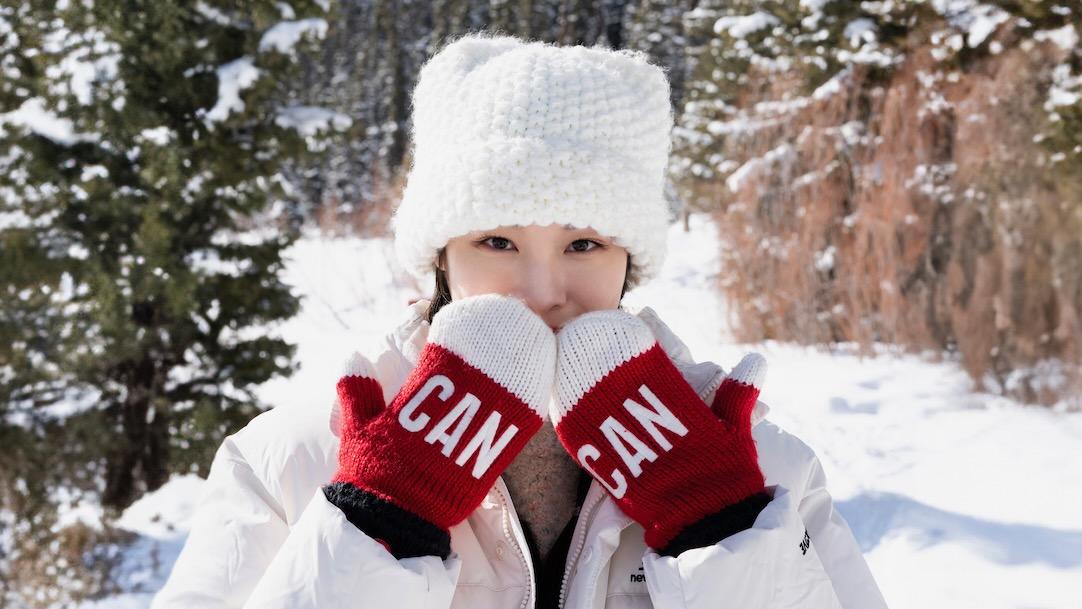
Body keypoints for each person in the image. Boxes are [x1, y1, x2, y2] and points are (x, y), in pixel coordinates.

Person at [151, 33, 888, 609]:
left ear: (629, 260)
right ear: (441, 257)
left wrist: (724, 529)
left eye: (584, 243)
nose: (542, 289)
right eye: (498, 240)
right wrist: (382, 523)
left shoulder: (763, 470)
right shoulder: (294, 461)